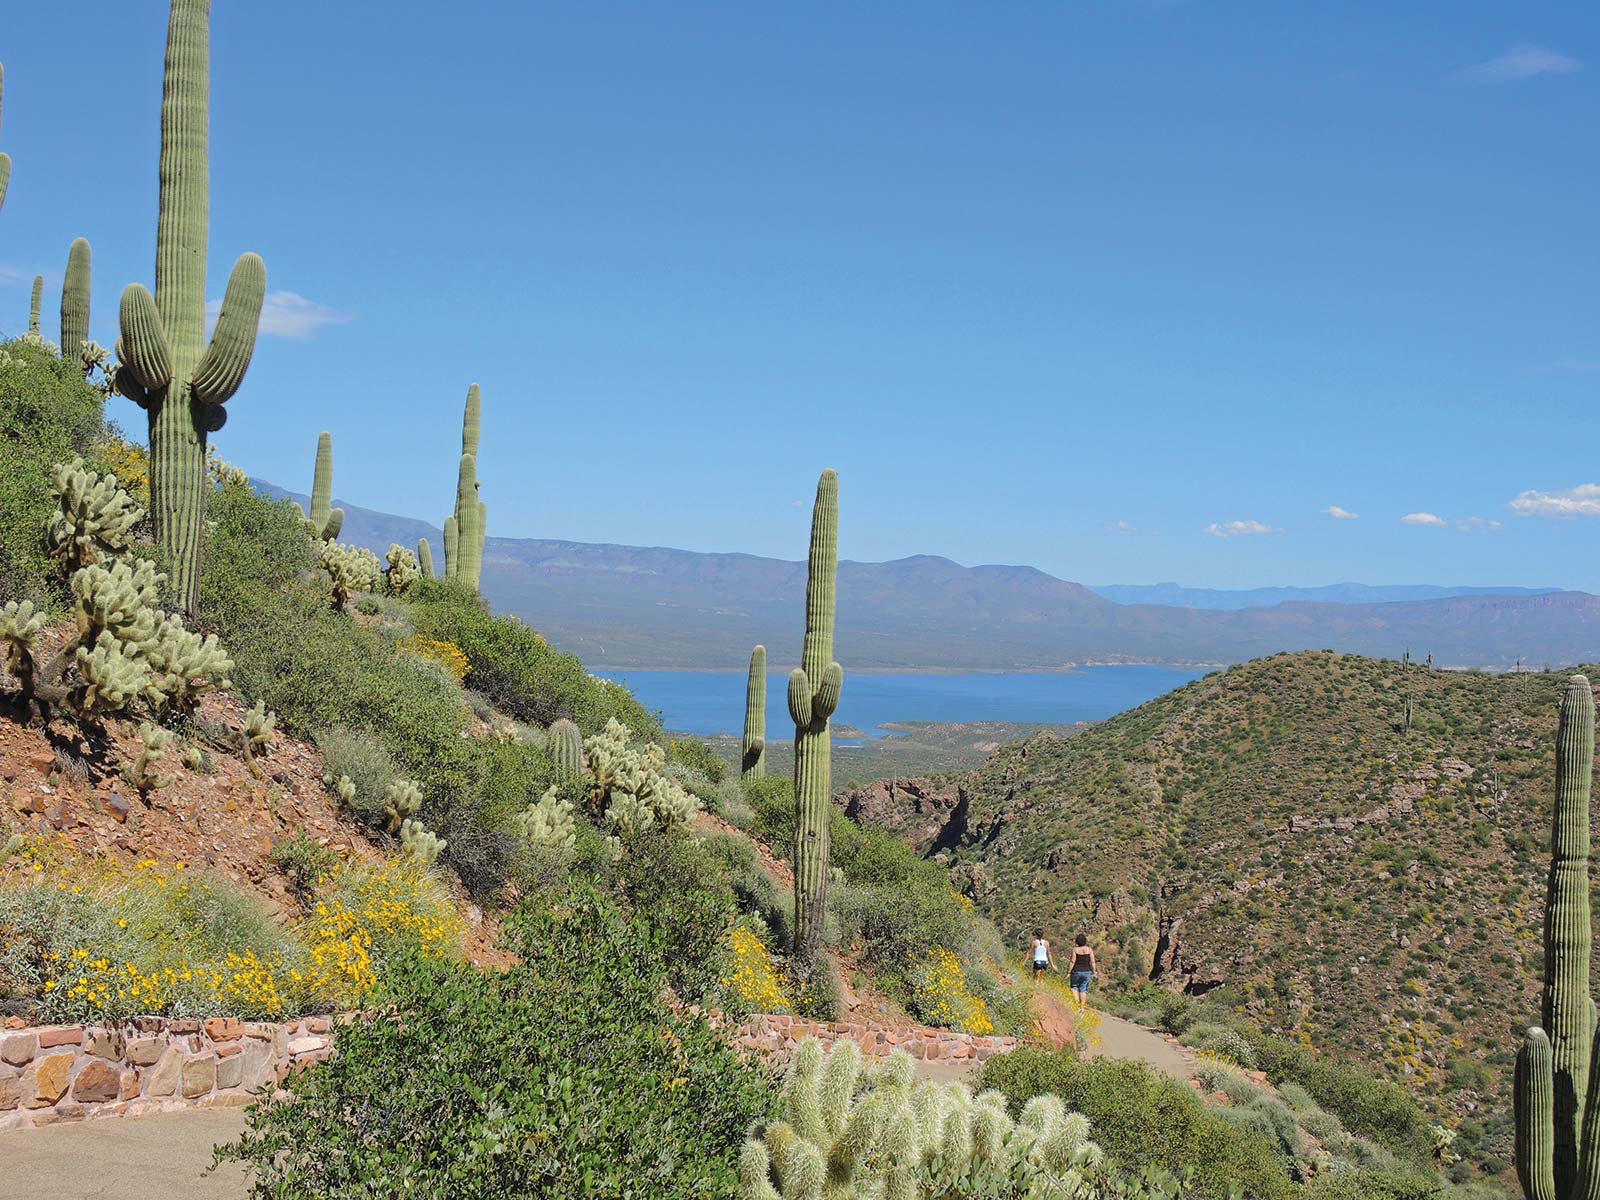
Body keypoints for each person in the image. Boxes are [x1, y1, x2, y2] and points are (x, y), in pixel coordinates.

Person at [1068, 934, 1095, 1009]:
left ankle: (1076, 1005)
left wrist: (1068, 972)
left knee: (1074, 987)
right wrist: (1094, 972)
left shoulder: (1075, 950)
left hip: (1076, 971)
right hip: (1087, 971)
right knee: (1083, 989)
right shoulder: (1089, 950)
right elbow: (1092, 962)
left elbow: (1072, 961)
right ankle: (1082, 1008)